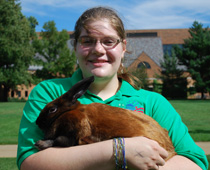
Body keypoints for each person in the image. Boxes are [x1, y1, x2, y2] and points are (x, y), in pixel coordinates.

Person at [17, 6, 208, 170]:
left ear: (123, 48)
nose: (98, 49)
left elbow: (195, 164)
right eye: (87, 41)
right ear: (75, 46)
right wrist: (120, 151)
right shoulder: (50, 93)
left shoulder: (153, 103)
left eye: (108, 41)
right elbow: (30, 162)